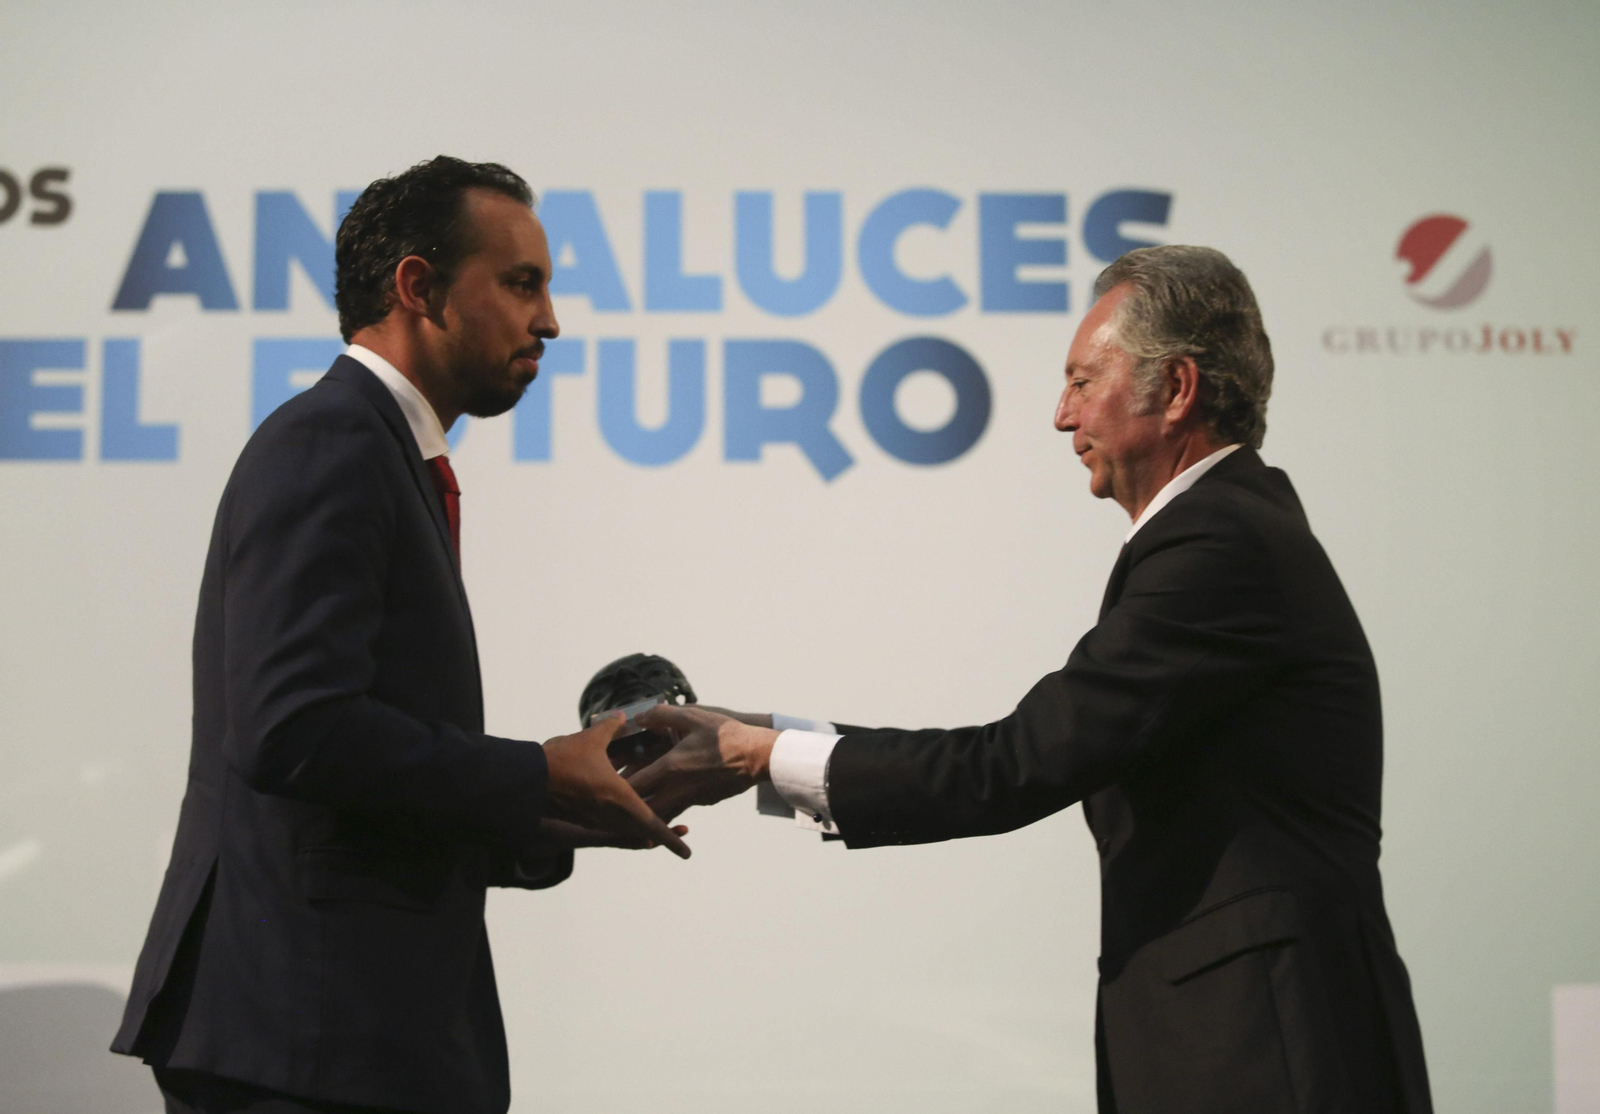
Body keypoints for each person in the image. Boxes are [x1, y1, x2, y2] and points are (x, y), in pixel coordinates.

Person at [635, 246, 1434, 1113]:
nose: (1061, 416)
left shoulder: (1221, 544)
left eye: (1083, 382)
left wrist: (760, 758)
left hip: (1270, 1051)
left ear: (1176, 391)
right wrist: (757, 729)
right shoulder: (1229, 533)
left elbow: (1016, 763)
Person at [111, 156, 689, 1114]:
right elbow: (292, 729)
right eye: (520, 284)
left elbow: (365, 777)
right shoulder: (333, 442)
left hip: (344, 1036)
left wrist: (568, 810)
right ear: (418, 287)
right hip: (304, 1040)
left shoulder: (381, 451)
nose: (549, 321)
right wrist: (538, 771)